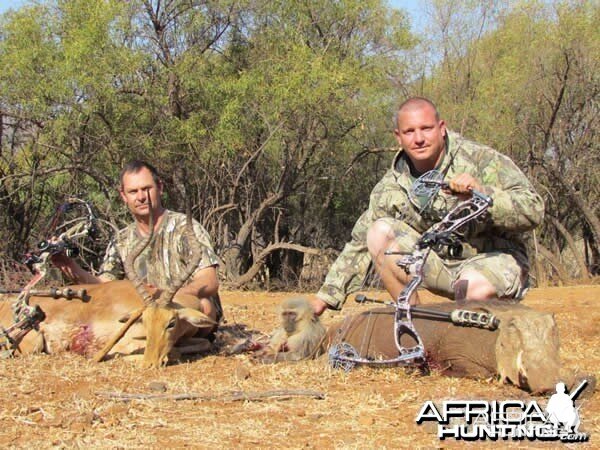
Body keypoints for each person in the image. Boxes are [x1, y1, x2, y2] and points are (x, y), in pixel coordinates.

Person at [311, 97, 544, 315]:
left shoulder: (481, 159)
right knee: (378, 232)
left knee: (475, 287)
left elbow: (533, 209)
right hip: (440, 266)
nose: (419, 138)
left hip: (493, 262)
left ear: (441, 128)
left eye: (426, 128)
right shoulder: (390, 187)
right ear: (398, 137)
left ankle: (480, 334)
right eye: (409, 131)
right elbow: (359, 244)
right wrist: (324, 299)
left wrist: (482, 195)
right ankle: (414, 327)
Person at [52, 160, 222, 325]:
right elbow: (105, 286)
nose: (141, 197)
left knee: (205, 305)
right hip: (144, 313)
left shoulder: (185, 228)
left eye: (146, 189)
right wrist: (70, 266)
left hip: (178, 309)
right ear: (123, 196)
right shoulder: (122, 239)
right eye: (133, 191)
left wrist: (167, 296)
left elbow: (209, 280)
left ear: (160, 188)